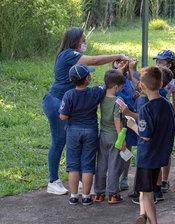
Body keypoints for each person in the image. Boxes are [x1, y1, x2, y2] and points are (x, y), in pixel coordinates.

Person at [42, 26, 129, 195]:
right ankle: (53, 181)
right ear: (74, 40)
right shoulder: (68, 54)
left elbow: (106, 87)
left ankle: (81, 179)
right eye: (83, 40)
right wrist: (118, 55)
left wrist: (118, 70)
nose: (85, 43)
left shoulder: (72, 59)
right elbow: (95, 61)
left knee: (72, 142)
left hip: (66, 102)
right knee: (59, 141)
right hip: (56, 102)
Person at [127, 66, 175, 224]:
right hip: (160, 156)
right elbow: (173, 128)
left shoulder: (146, 108)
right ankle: (143, 215)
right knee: (144, 191)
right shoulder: (167, 104)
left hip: (146, 157)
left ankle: (152, 221)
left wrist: (132, 125)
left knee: (147, 194)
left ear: (141, 86)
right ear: (162, 84)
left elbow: (145, 136)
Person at [58, 63, 106, 205]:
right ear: (87, 79)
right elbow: (106, 86)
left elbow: (63, 116)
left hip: (73, 132)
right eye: (89, 75)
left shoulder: (69, 94)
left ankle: (73, 196)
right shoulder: (95, 92)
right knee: (88, 165)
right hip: (91, 131)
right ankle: (86, 196)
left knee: (73, 165)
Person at [94, 69, 127, 204]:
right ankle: (113, 194)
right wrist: (122, 139)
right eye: (122, 87)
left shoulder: (102, 97)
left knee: (101, 164)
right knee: (114, 165)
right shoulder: (118, 100)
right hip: (114, 137)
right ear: (116, 87)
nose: (122, 89)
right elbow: (117, 120)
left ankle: (99, 193)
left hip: (102, 135)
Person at [153, 50, 175, 193]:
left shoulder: (173, 83)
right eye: (157, 62)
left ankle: (164, 179)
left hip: (166, 117)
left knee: (166, 150)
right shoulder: (152, 79)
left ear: (169, 65)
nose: (158, 65)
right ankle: (156, 179)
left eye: (161, 62)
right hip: (154, 117)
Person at [112, 57, 139, 191]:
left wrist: (132, 69)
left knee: (127, 148)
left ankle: (124, 176)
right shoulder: (112, 78)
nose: (122, 64)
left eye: (124, 61)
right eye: (118, 62)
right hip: (116, 120)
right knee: (117, 148)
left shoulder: (130, 79)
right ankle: (114, 177)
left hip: (129, 119)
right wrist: (119, 70)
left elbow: (138, 88)